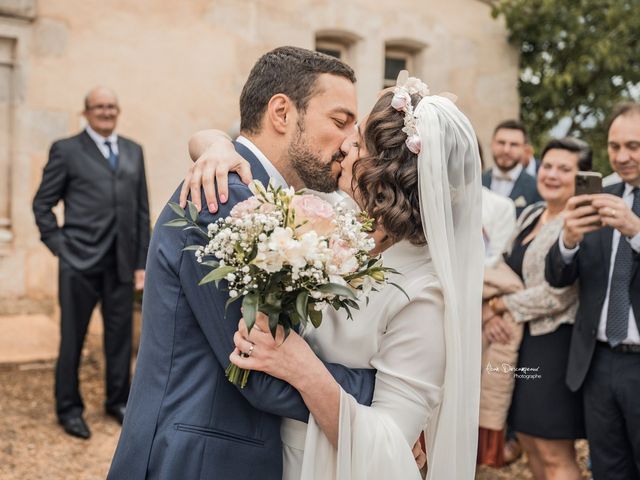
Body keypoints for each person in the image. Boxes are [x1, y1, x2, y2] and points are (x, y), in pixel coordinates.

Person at [182, 74, 484, 479]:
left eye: (357, 142)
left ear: (384, 171)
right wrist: (218, 146)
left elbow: (393, 446)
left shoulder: (424, 293)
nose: (344, 145)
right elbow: (208, 141)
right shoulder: (331, 217)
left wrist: (302, 367)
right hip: (276, 455)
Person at [108, 47, 377, 480]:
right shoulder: (224, 199)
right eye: (340, 121)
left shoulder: (267, 199)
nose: (349, 141)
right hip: (195, 457)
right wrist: (390, 393)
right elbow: (255, 368)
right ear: (282, 112)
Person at [32, 87, 150, 439]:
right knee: (73, 339)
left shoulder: (133, 150)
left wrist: (141, 261)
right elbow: (42, 205)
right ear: (85, 112)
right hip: (78, 264)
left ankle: (118, 402)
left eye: (111, 106)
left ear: (119, 110)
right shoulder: (66, 150)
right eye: (98, 107)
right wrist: (60, 247)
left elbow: (142, 212)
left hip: (122, 265)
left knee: (119, 340)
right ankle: (68, 408)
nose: (106, 112)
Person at [546, 103, 640, 480]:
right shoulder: (600, 195)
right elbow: (557, 278)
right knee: (608, 469)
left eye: (633, 146)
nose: (621, 156)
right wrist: (567, 240)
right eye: (614, 146)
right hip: (597, 364)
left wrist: (635, 231)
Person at [488, 137, 591, 479]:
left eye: (565, 169)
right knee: (529, 442)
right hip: (521, 345)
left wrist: (503, 304)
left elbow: (560, 295)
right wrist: (490, 306)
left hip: (555, 346)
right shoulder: (532, 213)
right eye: (548, 166)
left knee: (553, 451)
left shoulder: (579, 223)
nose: (552, 174)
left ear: (581, 177)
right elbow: (503, 266)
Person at [483, 120, 542, 216]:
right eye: (501, 143)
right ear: (492, 144)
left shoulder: (536, 188)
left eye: (514, 144)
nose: (506, 150)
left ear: (524, 149)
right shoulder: (478, 181)